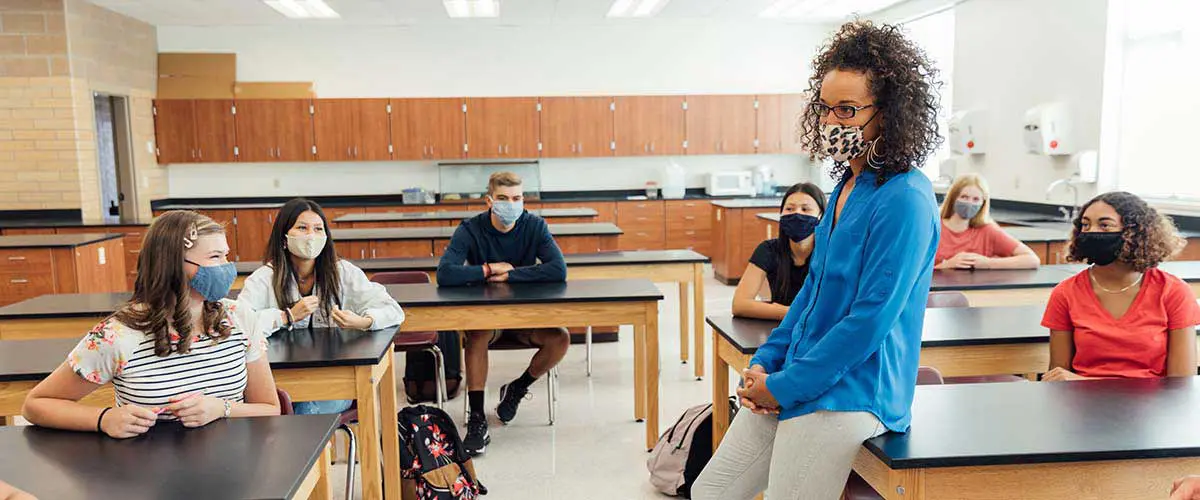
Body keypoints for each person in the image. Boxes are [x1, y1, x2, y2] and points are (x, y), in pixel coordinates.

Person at [692, 20, 942, 499]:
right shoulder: (847, 187)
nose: (833, 122)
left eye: (848, 110)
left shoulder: (905, 198)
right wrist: (766, 363)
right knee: (712, 492)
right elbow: (812, 293)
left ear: (888, 114)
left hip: (855, 391)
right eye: (826, 109)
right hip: (802, 375)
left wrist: (785, 388)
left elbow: (870, 320)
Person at [22, 211, 280, 438]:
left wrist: (222, 409)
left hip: (233, 464)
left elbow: (270, 408)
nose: (226, 268)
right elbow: (37, 404)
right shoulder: (118, 336)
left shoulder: (240, 318)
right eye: (214, 257)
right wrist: (104, 419)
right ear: (172, 265)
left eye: (226, 255)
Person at [436, 171, 570, 456]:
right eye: (503, 199)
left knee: (560, 339)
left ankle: (517, 389)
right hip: (489, 317)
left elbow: (558, 269)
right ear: (489, 200)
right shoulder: (471, 228)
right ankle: (477, 417)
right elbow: (445, 273)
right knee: (478, 333)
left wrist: (511, 275)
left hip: (524, 318)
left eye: (517, 198)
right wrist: (486, 269)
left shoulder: (534, 225)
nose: (511, 204)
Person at [238, 198, 405, 414]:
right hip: (280, 379)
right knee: (284, 408)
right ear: (284, 237)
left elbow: (393, 311)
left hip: (335, 381)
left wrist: (364, 321)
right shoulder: (264, 278)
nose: (311, 236)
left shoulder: (343, 272)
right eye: (302, 228)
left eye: (318, 229)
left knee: (304, 411)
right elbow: (239, 326)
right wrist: (286, 316)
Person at [1042, 191, 1198, 381]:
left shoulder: (1173, 291)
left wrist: (1088, 383)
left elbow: (1181, 384)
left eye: (1105, 225)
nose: (1091, 232)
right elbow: (1058, 378)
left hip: (1152, 408)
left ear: (1134, 232)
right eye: (1085, 225)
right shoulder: (1066, 292)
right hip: (1083, 405)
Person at [732, 182, 827, 320]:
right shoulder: (768, 250)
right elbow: (739, 305)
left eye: (805, 209)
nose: (797, 213)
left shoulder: (830, 253)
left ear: (821, 216)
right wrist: (796, 314)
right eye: (789, 208)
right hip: (779, 328)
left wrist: (773, 309)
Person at [935, 173, 1040, 270]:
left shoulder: (987, 230)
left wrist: (988, 263)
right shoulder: (934, 228)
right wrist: (947, 265)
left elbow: (1032, 260)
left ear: (983, 203)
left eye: (976, 199)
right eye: (964, 197)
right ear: (953, 198)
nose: (969, 203)